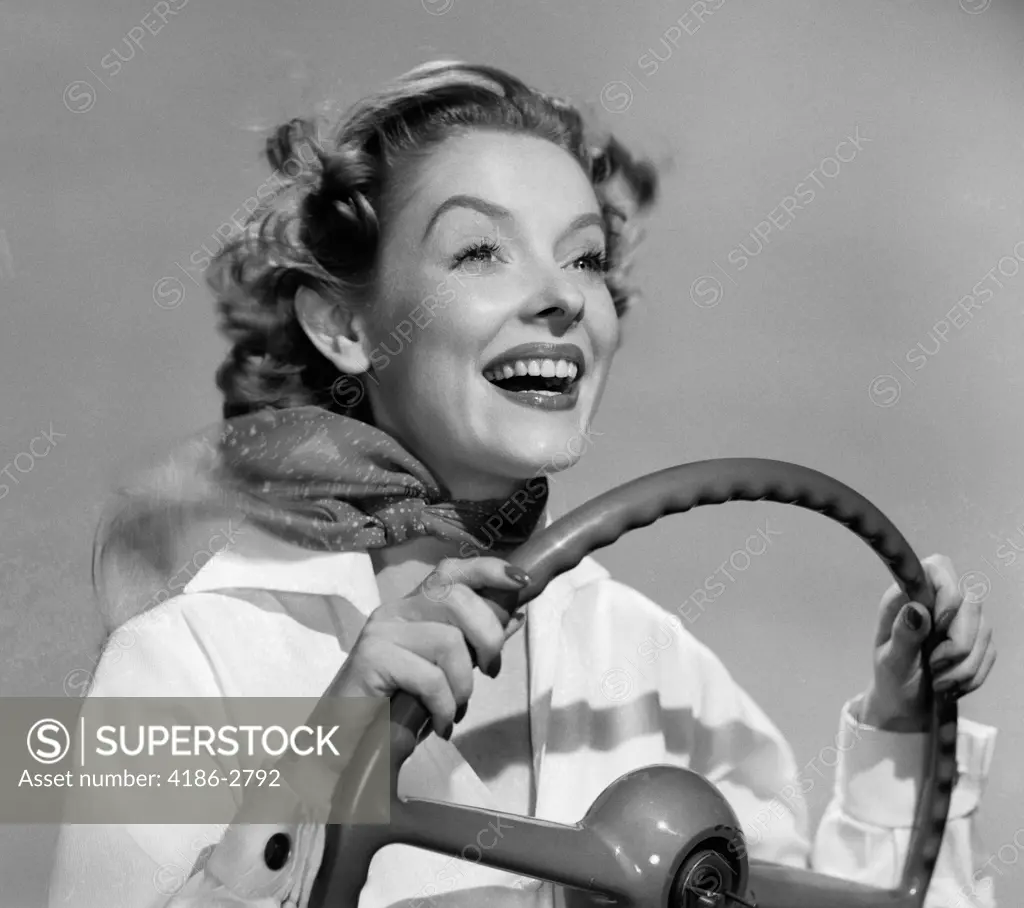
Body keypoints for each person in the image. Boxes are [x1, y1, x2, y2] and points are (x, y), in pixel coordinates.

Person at [49, 61, 998, 908]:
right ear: (342, 326)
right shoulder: (184, 667)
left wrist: (903, 736)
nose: (563, 295)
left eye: (584, 257)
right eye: (478, 251)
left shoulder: (656, 666)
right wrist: (326, 752)